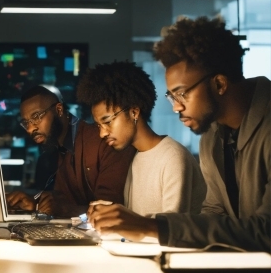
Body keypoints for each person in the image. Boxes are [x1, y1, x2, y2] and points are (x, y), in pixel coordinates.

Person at [89, 17, 270, 251]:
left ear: (220, 84)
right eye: (172, 97)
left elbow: (266, 231)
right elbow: (215, 213)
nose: (176, 107)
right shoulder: (212, 135)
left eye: (182, 94)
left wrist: (151, 226)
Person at [77, 60, 206, 216]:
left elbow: (172, 229)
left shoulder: (173, 157)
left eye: (107, 121)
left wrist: (122, 218)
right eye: (98, 125)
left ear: (134, 112)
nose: (102, 133)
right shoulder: (136, 157)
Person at [5, 85, 134, 216]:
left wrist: (64, 210)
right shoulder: (62, 146)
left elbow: (109, 210)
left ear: (59, 110)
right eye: (26, 123)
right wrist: (34, 203)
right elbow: (64, 199)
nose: (31, 129)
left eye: (37, 116)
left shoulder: (104, 140)